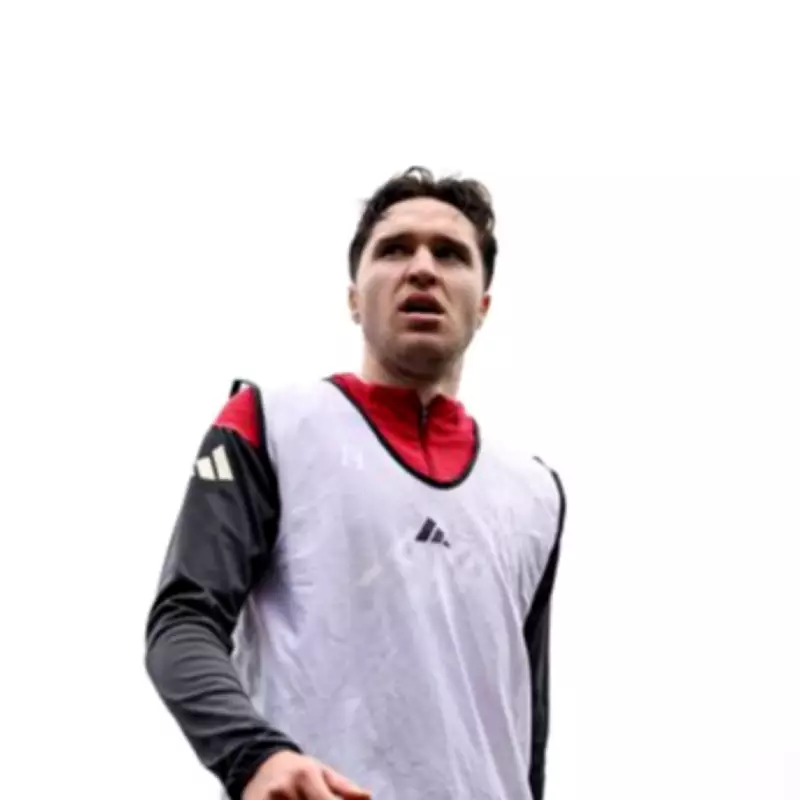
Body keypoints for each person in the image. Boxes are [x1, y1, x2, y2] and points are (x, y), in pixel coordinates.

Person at [145, 166, 567, 800]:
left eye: (449, 254)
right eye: (394, 250)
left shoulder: (535, 493)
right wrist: (255, 756)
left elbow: (523, 720)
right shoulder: (271, 422)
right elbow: (182, 622)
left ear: (482, 306)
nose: (421, 269)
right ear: (352, 298)